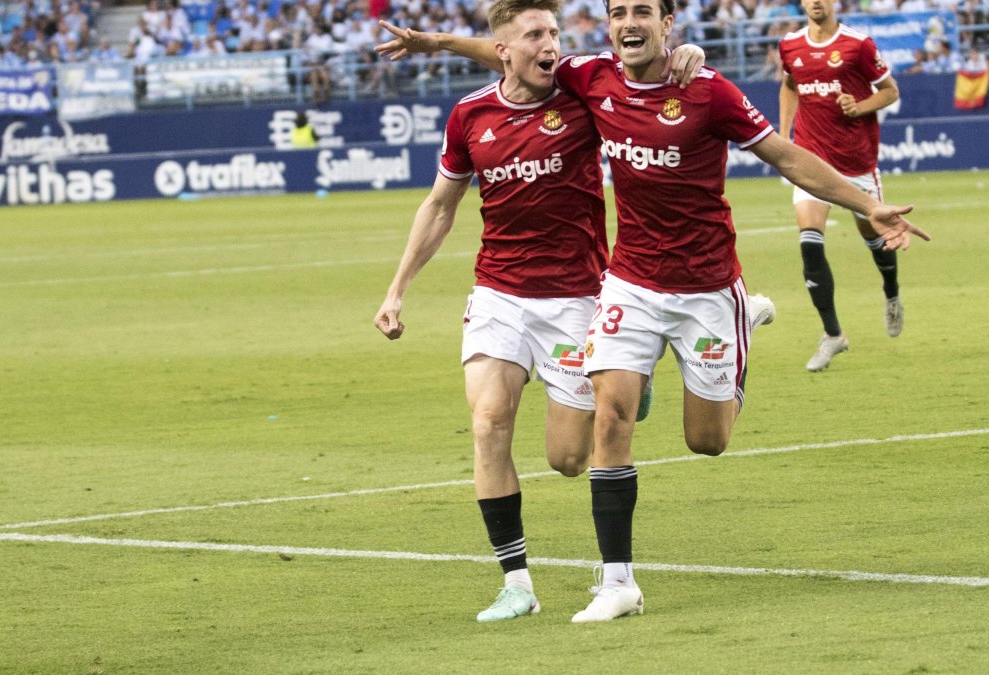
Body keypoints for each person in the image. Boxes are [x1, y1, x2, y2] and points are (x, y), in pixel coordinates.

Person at [378, 0, 928, 623]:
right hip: (628, 282)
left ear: (669, 24)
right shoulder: (592, 77)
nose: (628, 21)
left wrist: (865, 203)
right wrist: (434, 42)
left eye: (644, 11)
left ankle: (741, 323)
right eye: (618, 12)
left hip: (704, 286)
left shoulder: (707, 90)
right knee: (607, 416)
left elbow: (785, 155)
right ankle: (617, 584)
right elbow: (514, 54)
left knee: (706, 441)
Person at [373, 0, 703, 624]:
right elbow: (441, 206)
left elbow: (648, 66)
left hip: (577, 299)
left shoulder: (580, 95)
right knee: (489, 422)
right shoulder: (470, 114)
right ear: (503, 47)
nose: (551, 43)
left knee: (567, 460)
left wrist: (687, 56)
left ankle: (637, 362)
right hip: (499, 294)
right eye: (535, 35)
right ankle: (517, 583)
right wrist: (396, 291)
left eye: (554, 32)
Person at [779, 0, 904, 371]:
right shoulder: (790, 45)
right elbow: (789, 84)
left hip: (857, 163)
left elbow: (890, 91)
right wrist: (785, 134)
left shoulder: (858, 44)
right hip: (812, 159)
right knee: (809, 243)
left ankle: (892, 292)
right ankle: (833, 334)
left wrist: (860, 106)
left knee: (875, 240)